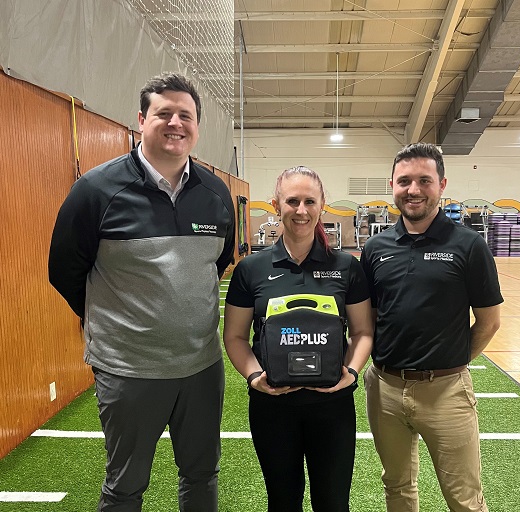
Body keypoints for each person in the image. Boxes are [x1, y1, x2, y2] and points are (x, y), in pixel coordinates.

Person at [48, 72, 235, 512]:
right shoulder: (96, 190)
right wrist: (119, 322)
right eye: (163, 113)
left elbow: (218, 262)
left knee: (201, 475)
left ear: (196, 125)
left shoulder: (216, 194)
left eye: (185, 115)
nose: (175, 123)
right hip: (128, 371)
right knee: (126, 486)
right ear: (140, 120)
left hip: (200, 368)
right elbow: (65, 271)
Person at [360, 142, 503, 512]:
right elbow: (370, 319)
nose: (414, 190)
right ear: (392, 185)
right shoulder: (376, 248)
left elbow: (488, 323)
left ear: (441, 184)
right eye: (404, 181)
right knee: (397, 488)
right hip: (385, 389)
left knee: (465, 499)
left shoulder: (469, 246)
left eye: (424, 180)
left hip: (446, 392)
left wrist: (449, 364)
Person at [224, 166, 373, 512]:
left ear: (323, 205)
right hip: (272, 408)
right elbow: (234, 337)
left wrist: (349, 373)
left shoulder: (346, 267)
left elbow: (364, 332)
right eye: (292, 201)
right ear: (277, 205)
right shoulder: (251, 269)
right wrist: (254, 377)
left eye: (310, 201)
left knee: (333, 504)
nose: (301, 211)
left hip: (332, 408)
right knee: (282, 502)